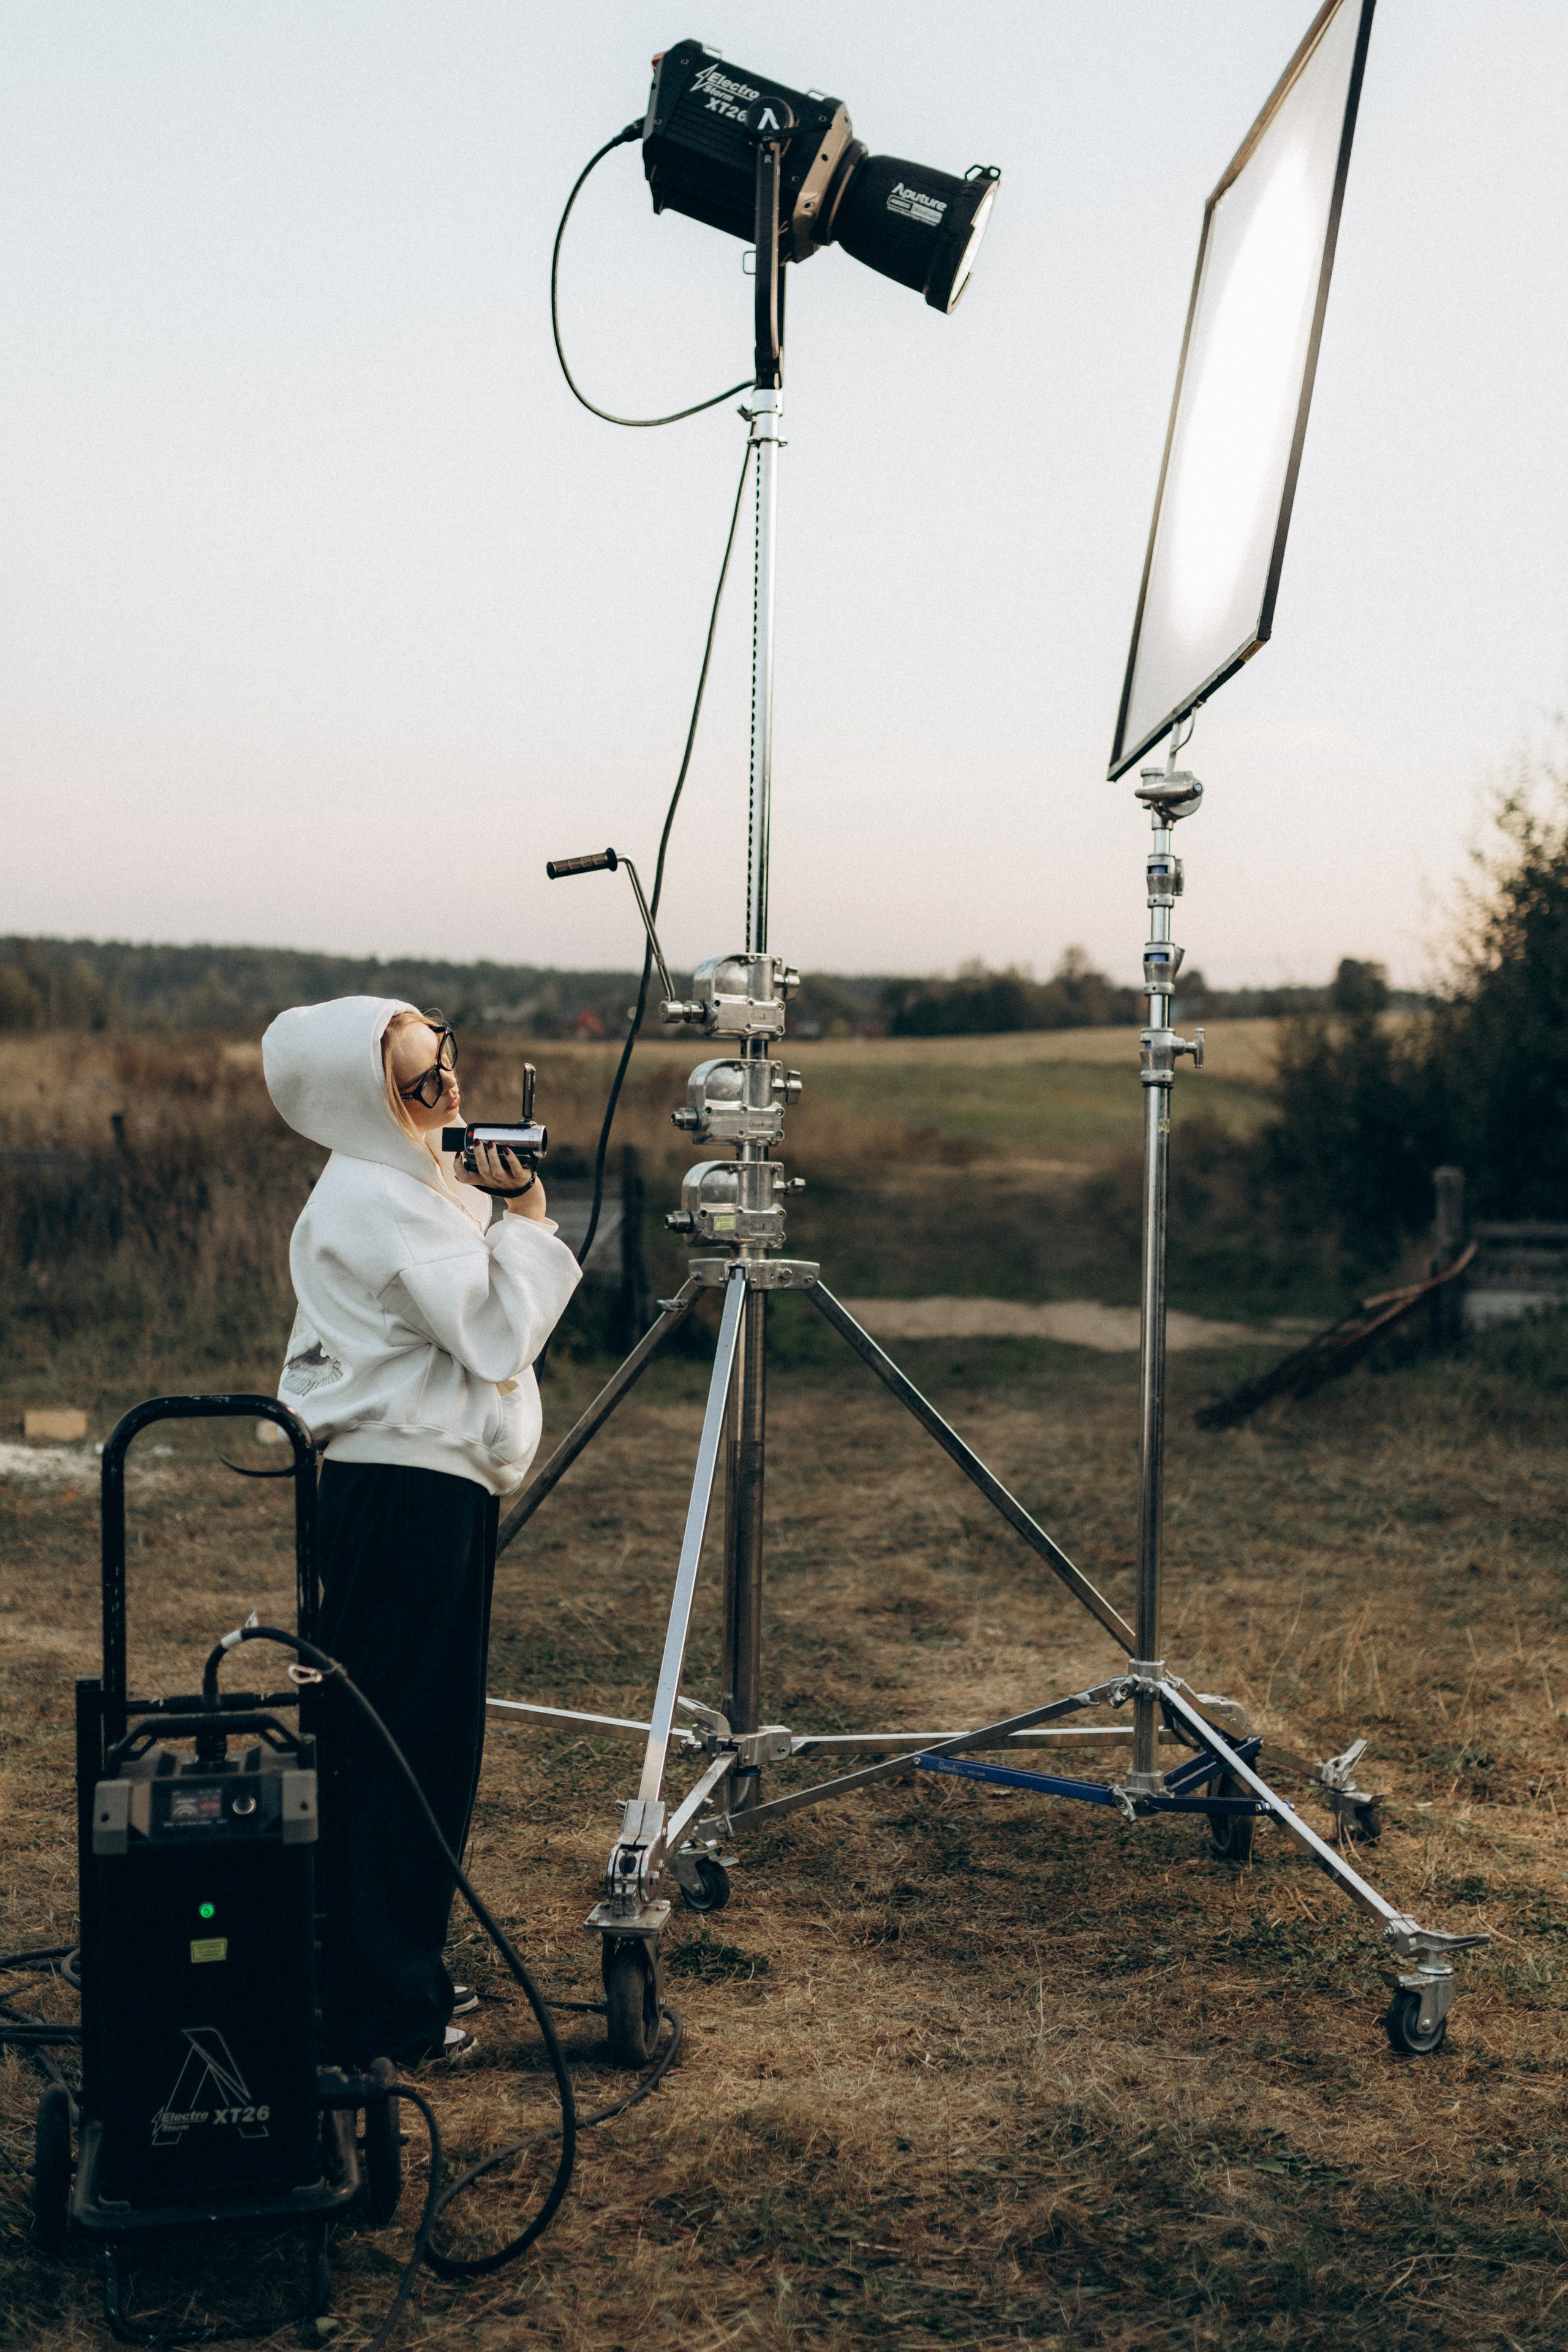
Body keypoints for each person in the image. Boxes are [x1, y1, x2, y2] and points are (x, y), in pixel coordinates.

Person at [262, 996, 580, 2066]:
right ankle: (379, 2010)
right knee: (403, 1751)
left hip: (410, 1488)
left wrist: (487, 1199)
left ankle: (378, 1978)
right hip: (402, 1495)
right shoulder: (377, 1201)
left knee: (398, 1743)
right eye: (417, 1082)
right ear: (364, 1100)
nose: (449, 1090)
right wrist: (527, 1212)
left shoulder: (401, 1181)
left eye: (444, 1061)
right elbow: (495, 1328)